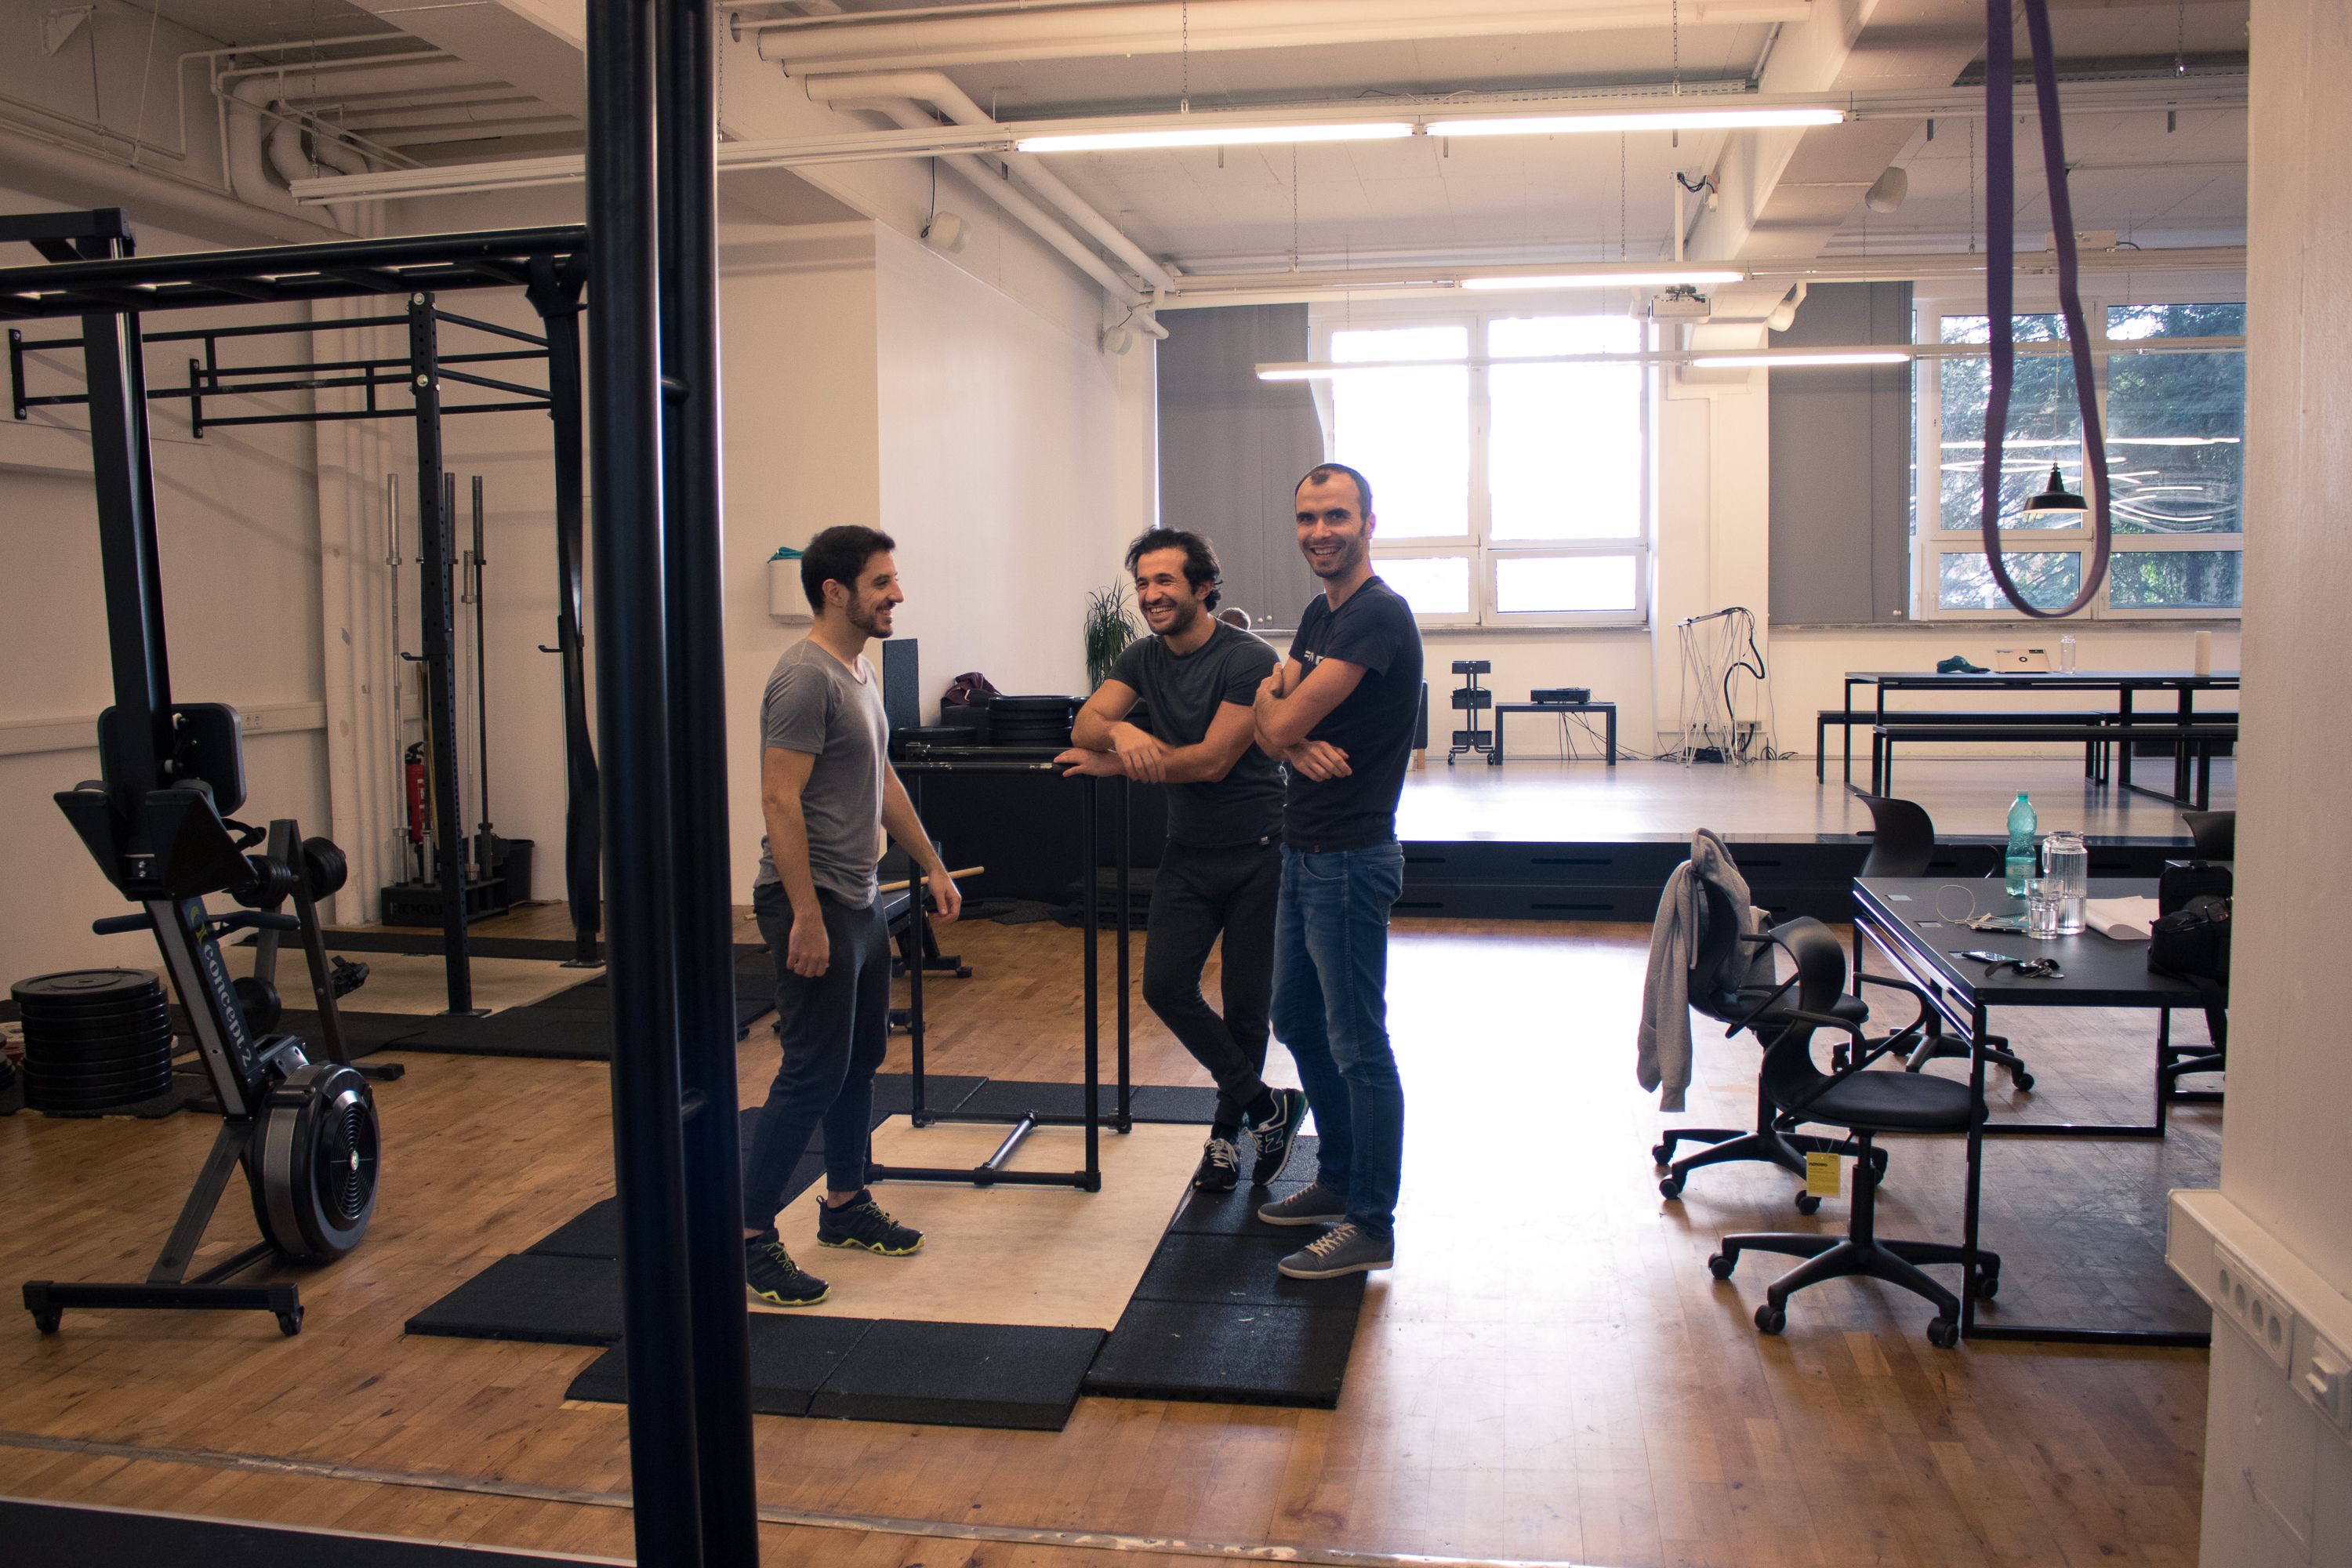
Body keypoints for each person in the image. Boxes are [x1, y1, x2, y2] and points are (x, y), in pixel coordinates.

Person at [742, 524, 963, 1308]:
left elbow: (883, 784)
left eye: (894, 579)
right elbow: (778, 798)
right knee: (810, 1070)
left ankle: (843, 1202)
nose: (896, 593)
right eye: (882, 582)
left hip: (860, 897)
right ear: (836, 591)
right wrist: (804, 912)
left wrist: (930, 862)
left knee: (860, 1055)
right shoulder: (804, 677)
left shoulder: (858, 670)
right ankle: (750, 1236)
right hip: (816, 901)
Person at [1057, 528, 1308, 1193]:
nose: (1150, 595)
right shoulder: (1142, 658)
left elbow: (1211, 760)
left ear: (1202, 587)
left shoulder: (1246, 658)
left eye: (1164, 581)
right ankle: (1266, 1107)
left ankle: (1224, 1139)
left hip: (1260, 852)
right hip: (1189, 853)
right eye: (1143, 583)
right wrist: (1121, 729)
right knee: (1165, 987)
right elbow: (1084, 722)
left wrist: (1114, 762)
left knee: (1247, 1008)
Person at [1250, 463, 1422, 1280]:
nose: (1321, 531)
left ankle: (1370, 1219)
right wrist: (1283, 727)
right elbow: (1272, 717)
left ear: (1368, 521)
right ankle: (1339, 1177)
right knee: (1296, 1018)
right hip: (1304, 846)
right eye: (1308, 516)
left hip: (1350, 858)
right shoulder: (1324, 614)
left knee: (1358, 1046)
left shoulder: (1375, 617)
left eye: (1336, 515)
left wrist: (1281, 717)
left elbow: (1276, 709)